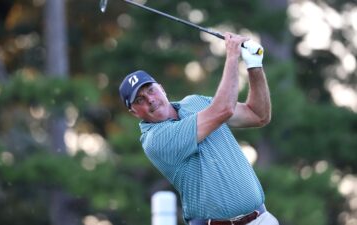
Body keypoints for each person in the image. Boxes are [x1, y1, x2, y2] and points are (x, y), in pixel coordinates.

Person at [119, 32, 279, 225]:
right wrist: (232, 56)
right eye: (139, 100)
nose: (150, 100)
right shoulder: (155, 140)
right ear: (134, 112)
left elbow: (258, 115)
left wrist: (254, 66)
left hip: (261, 219)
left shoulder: (196, 102)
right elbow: (223, 110)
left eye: (151, 90)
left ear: (162, 88)